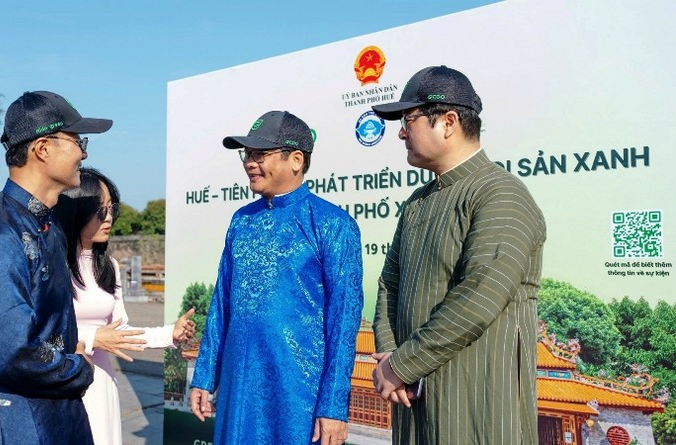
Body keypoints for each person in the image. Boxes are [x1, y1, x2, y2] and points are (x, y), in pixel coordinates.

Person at [370, 65, 546, 445]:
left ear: (447, 122)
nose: (401, 131)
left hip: (477, 409)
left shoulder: (501, 194)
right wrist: (387, 355)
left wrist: (403, 364)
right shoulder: (418, 203)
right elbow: (389, 284)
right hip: (414, 405)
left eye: (409, 119)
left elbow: (480, 295)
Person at [0, 91, 113, 444]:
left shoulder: (45, 226)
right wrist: (79, 368)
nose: (83, 152)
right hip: (12, 423)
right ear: (43, 149)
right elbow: (11, 352)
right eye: (78, 141)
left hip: (49, 416)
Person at [189, 111, 364, 445]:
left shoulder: (332, 224)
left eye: (260, 154)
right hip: (238, 387)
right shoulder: (241, 221)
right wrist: (205, 374)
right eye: (247, 155)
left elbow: (344, 323)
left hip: (299, 393)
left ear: (296, 160)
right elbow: (222, 304)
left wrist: (334, 405)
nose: (250, 163)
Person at [54, 167, 196, 445]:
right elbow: (36, 334)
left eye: (110, 209)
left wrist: (171, 334)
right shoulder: (50, 265)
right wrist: (93, 337)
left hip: (102, 381)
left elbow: (122, 332)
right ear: (75, 210)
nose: (108, 218)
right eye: (99, 210)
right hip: (62, 383)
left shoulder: (109, 266)